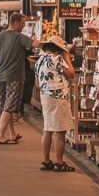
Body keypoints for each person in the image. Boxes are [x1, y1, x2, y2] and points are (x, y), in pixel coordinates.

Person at [0, 12, 33, 145]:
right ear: (17, 23)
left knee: (5, 105)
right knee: (10, 106)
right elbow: (34, 45)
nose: (23, 26)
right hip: (14, 76)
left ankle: (12, 134)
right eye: (23, 23)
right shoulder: (19, 37)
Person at [34, 35, 77, 172]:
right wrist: (67, 58)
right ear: (58, 49)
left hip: (45, 96)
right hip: (58, 96)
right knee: (60, 130)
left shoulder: (39, 60)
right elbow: (71, 73)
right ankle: (59, 161)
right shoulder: (56, 59)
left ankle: (45, 160)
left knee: (48, 128)